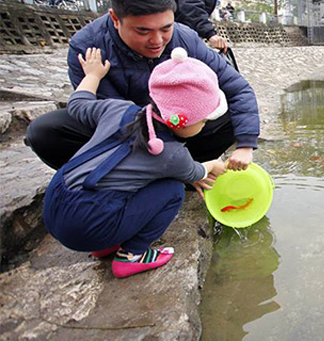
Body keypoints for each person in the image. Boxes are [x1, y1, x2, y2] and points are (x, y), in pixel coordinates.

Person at [25, 0, 259, 171]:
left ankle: (187, 171)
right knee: (44, 132)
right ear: (115, 19)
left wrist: (246, 145)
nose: (157, 41)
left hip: (179, 128)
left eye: (166, 28)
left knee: (229, 112)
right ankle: (139, 175)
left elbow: (238, 88)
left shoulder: (184, 38)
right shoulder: (88, 48)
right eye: (143, 31)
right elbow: (106, 119)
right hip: (126, 135)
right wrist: (170, 158)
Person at [43, 46, 231, 278]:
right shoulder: (171, 153)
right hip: (86, 225)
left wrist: (92, 76)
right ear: (182, 121)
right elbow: (195, 173)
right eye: (203, 120)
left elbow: (77, 105)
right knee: (172, 190)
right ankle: (131, 256)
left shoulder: (119, 109)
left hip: (54, 204)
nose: (204, 125)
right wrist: (213, 165)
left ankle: (105, 242)